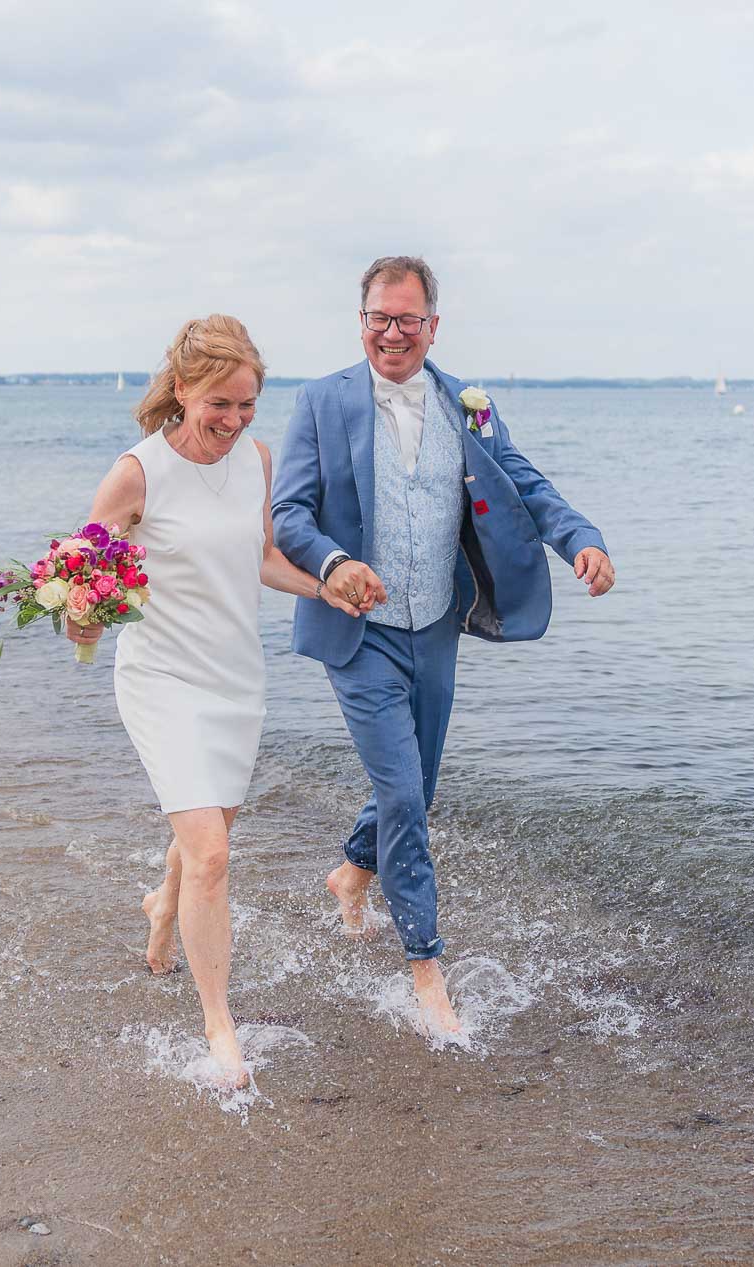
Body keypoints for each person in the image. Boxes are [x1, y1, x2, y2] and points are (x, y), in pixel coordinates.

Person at [272, 256, 616, 1035]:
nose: (392, 333)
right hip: (358, 632)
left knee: (416, 786)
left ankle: (351, 872)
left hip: (434, 626)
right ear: (361, 320)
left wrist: (581, 540)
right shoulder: (321, 400)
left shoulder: (468, 406)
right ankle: (426, 967)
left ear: (433, 325)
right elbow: (289, 513)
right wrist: (333, 562)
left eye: (407, 319)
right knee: (403, 794)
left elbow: (525, 485)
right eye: (379, 318)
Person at [68, 315, 369, 1086]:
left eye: (247, 405)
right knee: (212, 852)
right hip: (162, 679)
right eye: (219, 404)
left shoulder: (256, 460)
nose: (234, 421)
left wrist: (327, 587)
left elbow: (264, 555)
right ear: (181, 389)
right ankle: (218, 1023)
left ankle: (162, 907)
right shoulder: (136, 473)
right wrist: (79, 614)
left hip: (237, 678)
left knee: (205, 834)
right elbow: (83, 584)